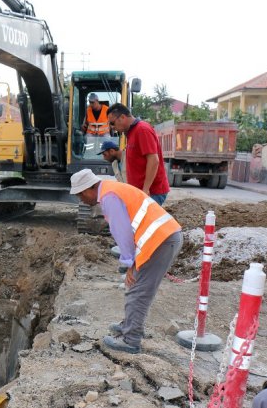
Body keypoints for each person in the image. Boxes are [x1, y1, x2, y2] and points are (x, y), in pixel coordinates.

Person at [70, 169, 183, 354]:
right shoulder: (111, 190)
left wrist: (130, 264)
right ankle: (129, 326)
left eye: (80, 195)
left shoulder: (109, 197)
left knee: (138, 290)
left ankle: (131, 340)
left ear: (89, 188)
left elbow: (123, 234)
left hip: (161, 241)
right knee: (136, 287)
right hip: (162, 239)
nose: (81, 200)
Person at [107, 103, 170, 205]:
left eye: (112, 123)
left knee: (143, 221)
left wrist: (145, 190)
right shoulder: (131, 132)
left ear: (122, 117)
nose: (112, 127)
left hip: (151, 193)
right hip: (140, 192)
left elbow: (153, 160)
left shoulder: (142, 130)